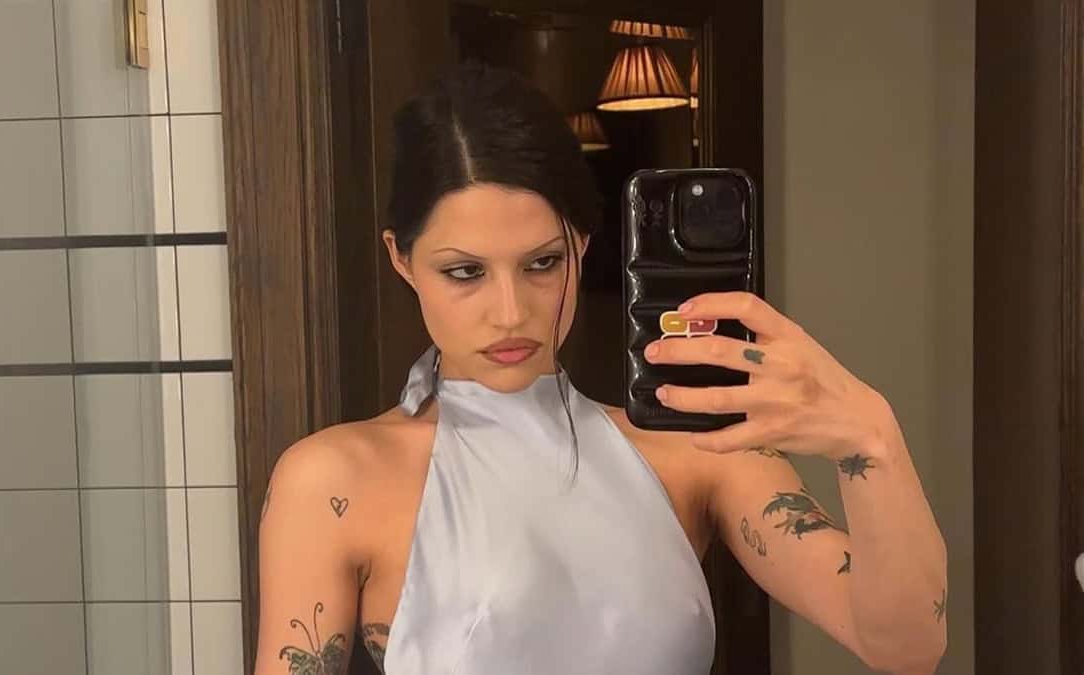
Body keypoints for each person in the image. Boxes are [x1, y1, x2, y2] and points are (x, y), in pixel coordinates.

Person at [254, 61, 947, 675]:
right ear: (402, 260)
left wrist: (870, 437)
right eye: (465, 272)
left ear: (582, 247)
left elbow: (904, 648)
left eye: (542, 263)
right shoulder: (333, 478)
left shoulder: (693, 450)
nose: (510, 312)